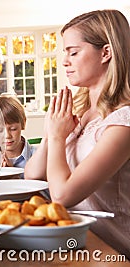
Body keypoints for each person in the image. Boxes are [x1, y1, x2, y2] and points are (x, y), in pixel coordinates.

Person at [24, 10, 130, 257]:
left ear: (106, 53)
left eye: (74, 52)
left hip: (112, 250)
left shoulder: (123, 123)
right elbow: (33, 174)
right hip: (76, 242)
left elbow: (62, 196)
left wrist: (59, 137)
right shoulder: (80, 111)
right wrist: (51, 132)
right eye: (65, 53)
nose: (64, 61)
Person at [0, 95, 36, 173]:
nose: (7, 136)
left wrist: (13, 175)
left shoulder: (39, 157)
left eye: (13, 129)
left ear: (23, 124)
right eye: (0, 130)